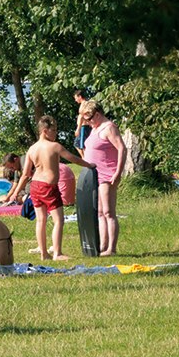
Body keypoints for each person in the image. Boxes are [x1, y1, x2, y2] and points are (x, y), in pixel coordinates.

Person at [7, 116, 93, 261]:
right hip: (48, 187)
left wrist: (15, 193)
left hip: (35, 186)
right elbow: (73, 158)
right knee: (58, 220)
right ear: (45, 131)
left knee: (41, 220)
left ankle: (44, 253)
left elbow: (26, 174)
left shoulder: (32, 149)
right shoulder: (55, 146)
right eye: (54, 130)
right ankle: (57, 253)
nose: (56, 133)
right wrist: (89, 165)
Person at [79, 99, 127, 256]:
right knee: (99, 211)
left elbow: (122, 148)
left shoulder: (109, 128)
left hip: (107, 174)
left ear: (97, 114)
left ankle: (111, 249)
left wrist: (118, 172)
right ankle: (102, 245)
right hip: (95, 175)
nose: (87, 122)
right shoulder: (95, 127)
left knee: (108, 211)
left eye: (88, 119)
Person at [73, 87, 93, 157]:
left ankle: (85, 159)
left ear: (80, 97)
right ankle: (84, 158)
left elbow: (82, 116)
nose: (75, 100)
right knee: (78, 144)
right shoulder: (87, 104)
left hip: (83, 127)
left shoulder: (84, 104)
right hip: (85, 127)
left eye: (76, 98)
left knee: (82, 145)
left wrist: (78, 129)